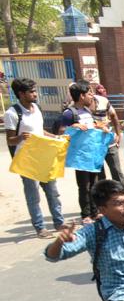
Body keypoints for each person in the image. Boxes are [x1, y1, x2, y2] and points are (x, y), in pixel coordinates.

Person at [5, 78, 64, 238]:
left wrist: (57, 138)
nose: (35, 94)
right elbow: (10, 140)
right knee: (33, 195)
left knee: (53, 192)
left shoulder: (36, 108)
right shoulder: (12, 113)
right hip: (27, 161)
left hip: (44, 157)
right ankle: (40, 227)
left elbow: (40, 132)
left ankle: (59, 223)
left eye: (34, 91)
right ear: (21, 94)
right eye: (31, 92)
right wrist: (21, 137)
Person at [60, 80, 106, 222]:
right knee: (84, 186)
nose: (92, 96)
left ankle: (95, 211)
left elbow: (91, 126)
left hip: (91, 154)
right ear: (81, 96)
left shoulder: (86, 111)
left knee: (94, 184)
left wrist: (100, 127)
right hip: (80, 157)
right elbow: (61, 131)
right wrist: (75, 126)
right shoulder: (69, 113)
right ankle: (85, 214)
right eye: (89, 93)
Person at [90, 85, 124, 187]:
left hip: (109, 142)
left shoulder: (103, 101)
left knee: (116, 170)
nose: (89, 94)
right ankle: (105, 199)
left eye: (90, 92)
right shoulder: (80, 107)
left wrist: (118, 134)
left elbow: (114, 116)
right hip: (94, 145)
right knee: (100, 174)